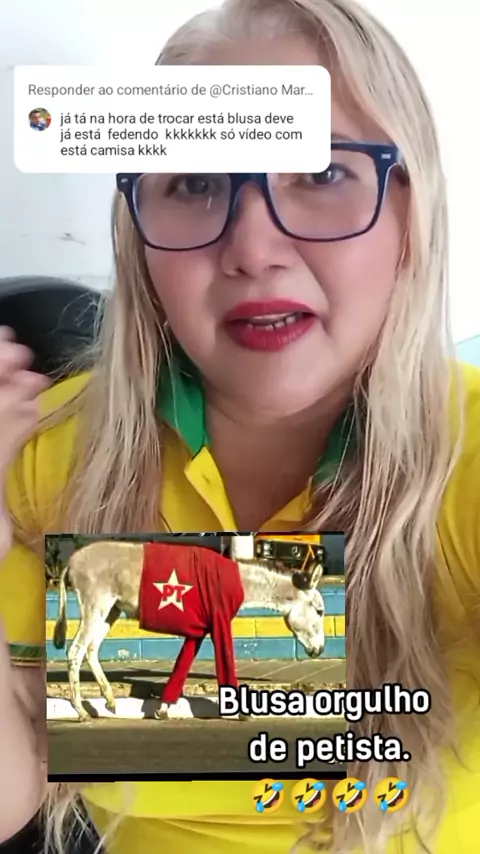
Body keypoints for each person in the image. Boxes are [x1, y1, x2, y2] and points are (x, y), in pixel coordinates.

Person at [0, 0, 479, 852]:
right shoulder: (50, 452)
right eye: (195, 182)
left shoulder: (467, 466)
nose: (254, 249)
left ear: (413, 212)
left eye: (321, 173)